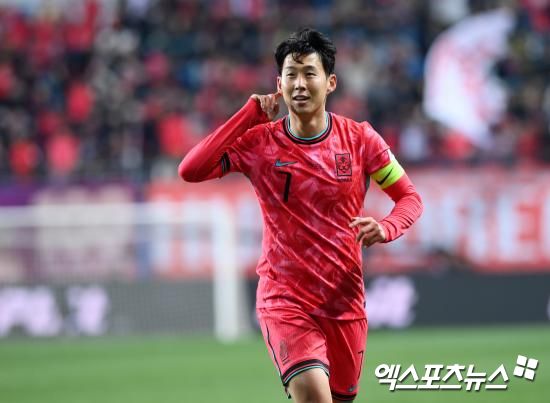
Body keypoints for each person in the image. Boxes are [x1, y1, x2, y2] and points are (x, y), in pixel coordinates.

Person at [178, 28, 423, 403]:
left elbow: (409, 198)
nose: (299, 84)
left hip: (344, 303)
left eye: (310, 73)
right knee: (313, 396)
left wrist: (387, 227)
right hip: (284, 300)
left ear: (331, 82)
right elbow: (190, 170)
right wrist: (248, 114)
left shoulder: (361, 140)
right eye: (291, 75)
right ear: (279, 84)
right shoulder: (260, 142)